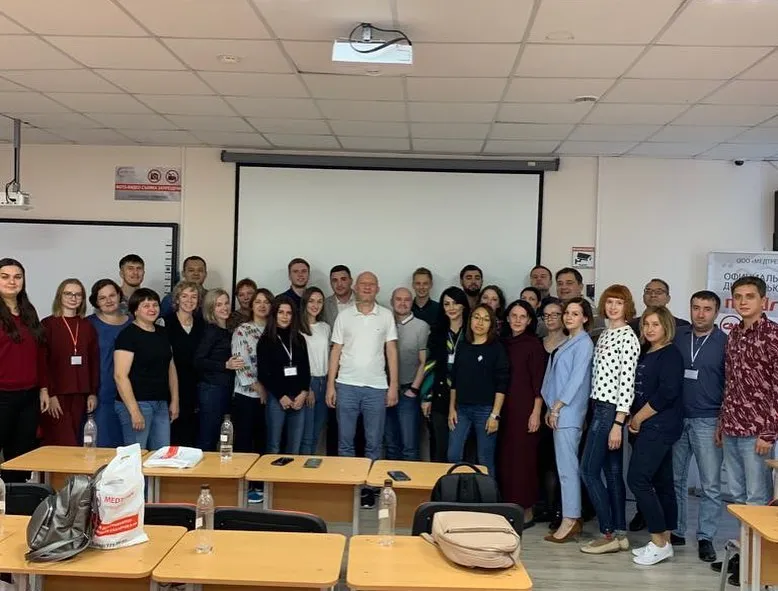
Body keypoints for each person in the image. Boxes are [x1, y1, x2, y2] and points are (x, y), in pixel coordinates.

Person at [714, 276, 777, 585]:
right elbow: (730, 383)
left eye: (749, 296)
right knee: (738, 499)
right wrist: (721, 422)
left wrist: (769, 432)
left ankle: (758, 566)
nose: (742, 301)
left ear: (763, 301)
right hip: (732, 427)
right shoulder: (735, 334)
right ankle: (744, 555)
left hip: (757, 432)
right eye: (738, 296)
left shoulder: (773, 335)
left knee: (757, 499)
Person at [326, 271, 398, 508]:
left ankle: (369, 489)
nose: (367, 287)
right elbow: (336, 351)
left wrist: (393, 385)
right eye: (363, 284)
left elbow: (391, 351)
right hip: (346, 385)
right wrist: (331, 385)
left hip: (377, 387)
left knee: (374, 442)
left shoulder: (386, 315)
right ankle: (350, 486)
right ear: (355, 287)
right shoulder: (344, 316)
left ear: (378, 288)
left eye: (371, 284)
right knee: (345, 442)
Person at [580, 284, 640, 554]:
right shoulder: (605, 334)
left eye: (619, 302)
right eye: (610, 302)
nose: (613, 307)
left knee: (588, 471)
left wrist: (618, 423)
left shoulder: (628, 337)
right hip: (599, 407)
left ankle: (607, 533)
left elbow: (626, 384)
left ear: (627, 307)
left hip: (610, 411)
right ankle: (620, 533)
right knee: (612, 474)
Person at [627, 306, 684, 566]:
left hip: (659, 425)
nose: (649, 329)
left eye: (655, 324)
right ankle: (665, 543)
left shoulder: (670, 354)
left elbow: (667, 393)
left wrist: (638, 418)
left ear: (666, 327)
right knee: (662, 483)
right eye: (646, 324)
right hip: (650, 425)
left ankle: (658, 542)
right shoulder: (647, 351)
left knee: (637, 479)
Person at [672, 291, 726, 562]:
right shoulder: (679, 336)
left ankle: (706, 537)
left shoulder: (725, 342)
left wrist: (723, 421)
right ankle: (677, 530)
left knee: (710, 484)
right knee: (675, 479)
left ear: (716, 312)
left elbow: (732, 384)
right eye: (696, 308)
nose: (700, 314)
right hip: (677, 417)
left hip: (709, 419)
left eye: (707, 309)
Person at [541, 297, 594, 543]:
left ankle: (570, 519)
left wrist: (557, 406)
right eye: (567, 313)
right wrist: (551, 406)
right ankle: (572, 517)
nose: (569, 317)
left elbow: (576, 380)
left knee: (567, 469)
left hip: (569, 413)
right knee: (564, 467)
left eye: (575, 313)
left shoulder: (583, 343)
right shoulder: (569, 342)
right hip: (559, 411)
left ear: (585, 318)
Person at [0, 258, 49, 483]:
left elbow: (40, 353)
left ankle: (15, 500)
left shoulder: (28, 312)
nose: (12, 281)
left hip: (29, 396)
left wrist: (44, 389)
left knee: (20, 457)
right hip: (2, 396)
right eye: (5, 277)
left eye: (17, 277)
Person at [447, 304, 509, 478]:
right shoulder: (463, 346)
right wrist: (452, 408)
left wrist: (495, 415)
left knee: (484, 460)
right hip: (461, 409)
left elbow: (502, 383)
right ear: (470, 320)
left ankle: (488, 495)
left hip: (486, 410)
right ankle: (456, 491)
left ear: (491, 324)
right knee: (453, 455)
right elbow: (455, 380)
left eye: (486, 319)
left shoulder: (496, 348)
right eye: (477, 317)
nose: (480, 323)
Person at [498, 300, 545, 525]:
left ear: (529, 320)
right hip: (504, 409)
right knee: (506, 460)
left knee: (524, 461)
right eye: (514, 316)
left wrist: (536, 413)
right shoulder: (502, 343)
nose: (517, 320)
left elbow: (539, 383)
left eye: (522, 316)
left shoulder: (533, 345)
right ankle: (507, 507)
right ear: (507, 318)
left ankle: (527, 511)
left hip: (525, 410)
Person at [113, 288, 179, 450]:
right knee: (136, 454)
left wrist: (175, 400)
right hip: (137, 403)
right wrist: (134, 411)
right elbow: (120, 376)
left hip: (160, 403)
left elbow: (171, 368)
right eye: (146, 306)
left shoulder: (163, 332)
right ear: (135, 310)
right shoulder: (127, 335)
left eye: (155, 305)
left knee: (162, 454)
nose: (152, 309)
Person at [40, 278, 99, 446]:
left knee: (75, 438)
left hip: (80, 393)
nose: (73, 298)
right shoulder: (48, 324)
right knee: (62, 440)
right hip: (57, 394)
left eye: (78, 294)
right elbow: (42, 362)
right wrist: (50, 393)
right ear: (60, 296)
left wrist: (92, 392)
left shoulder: (87, 326)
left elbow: (93, 361)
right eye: (68, 293)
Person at [232, 288, 273, 504]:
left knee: (263, 441)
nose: (262, 305)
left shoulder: (274, 330)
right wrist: (258, 387)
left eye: (266, 302)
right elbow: (240, 362)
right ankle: (243, 486)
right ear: (252, 305)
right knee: (244, 441)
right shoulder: (243, 330)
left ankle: (259, 484)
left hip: (270, 395)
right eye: (258, 302)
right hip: (247, 394)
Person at [422, 287, 470, 463]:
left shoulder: (472, 332)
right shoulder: (437, 332)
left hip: (466, 396)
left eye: (455, 303)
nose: (451, 308)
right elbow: (430, 366)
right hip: (440, 395)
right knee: (440, 445)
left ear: (463, 305)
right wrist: (426, 397)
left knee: (463, 448)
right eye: (447, 304)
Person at [258, 295, 311, 454]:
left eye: (289, 313)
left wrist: (304, 392)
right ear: (274, 314)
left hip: (298, 398)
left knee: (294, 447)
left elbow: (305, 369)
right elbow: (264, 373)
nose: (285, 316)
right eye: (281, 312)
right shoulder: (266, 340)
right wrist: (281, 396)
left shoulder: (299, 339)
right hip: (277, 398)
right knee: (274, 446)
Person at [195, 288, 243, 451]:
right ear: (211, 308)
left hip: (225, 388)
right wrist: (225, 365)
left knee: (220, 436)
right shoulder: (211, 331)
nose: (224, 307)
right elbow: (198, 361)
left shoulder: (228, 330)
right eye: (218, 304)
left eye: (226, 303)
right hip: (212, 389)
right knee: (208, 437)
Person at [385, 287, 429, 461]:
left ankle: (409, 479)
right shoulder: (384, 323)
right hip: (385, 391)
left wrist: (414, 390)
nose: (402, 303)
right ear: (391, 301)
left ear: (412, 302)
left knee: (409, 446)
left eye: (407, 300)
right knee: (390, 444)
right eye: (398, 299)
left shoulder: (421, 326)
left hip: (408, 392)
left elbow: (424, 361)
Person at [88, 279, 132, 447]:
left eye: (112, 295)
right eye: (102, 298)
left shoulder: (133, 323)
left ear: (119, 296)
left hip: (129, 392)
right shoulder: (88, 324)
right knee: (102, 443)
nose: (108, 300)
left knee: (128, 445)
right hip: (101, 392)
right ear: (96, 302)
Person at [164, 281, 205, 447]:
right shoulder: (165, 323)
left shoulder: (202, 324)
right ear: (177, 299)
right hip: (171, 385)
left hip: (195, 386)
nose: (189, 300)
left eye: (194, 297)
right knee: (174, 435)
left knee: (192, 435)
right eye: (185, 296)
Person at [322, 264, 356, 456]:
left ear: (351, 280)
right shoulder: (323, 304)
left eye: (343, 279)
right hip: (333, 371)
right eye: (334, 280)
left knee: (358, 426)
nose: (339, 284)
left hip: (357, 372)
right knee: (334, 423)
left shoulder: (364, 301)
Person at [300, 287, 331, 455]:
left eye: (319, 301)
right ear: (305, 302)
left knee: (317, 433)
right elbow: (297, 362)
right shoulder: (297, 328)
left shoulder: (325, 327)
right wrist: (306, 387)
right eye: (311, 301)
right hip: (308, 382)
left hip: (324, 382)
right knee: (307, 434)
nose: (315, 305)